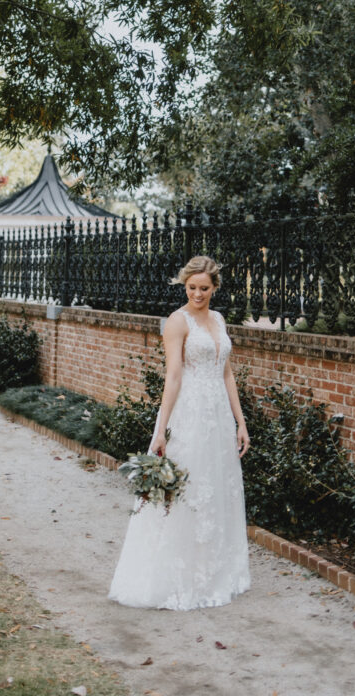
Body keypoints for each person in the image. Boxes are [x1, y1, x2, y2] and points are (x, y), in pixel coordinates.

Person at [108, 255, 251, 610]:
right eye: (191, 288)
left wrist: (240, 420)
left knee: (215, 490)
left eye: (204, 288)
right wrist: (160, 431)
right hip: (189, 415)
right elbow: (173, 377)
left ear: (215, 288)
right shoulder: (177, 321)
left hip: (218, 417)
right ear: (184, 285)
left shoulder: (218, 319)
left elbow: (227, 373)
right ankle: (175, 578)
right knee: (185, 492)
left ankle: (213, 574)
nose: (197, 294)